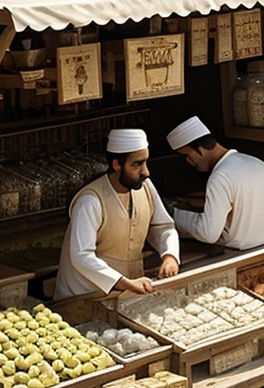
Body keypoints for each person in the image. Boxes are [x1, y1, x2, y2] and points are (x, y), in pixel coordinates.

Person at [54, 128, 180, 300]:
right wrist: (124, 283)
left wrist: (170, 255)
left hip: (128, 294)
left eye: (145, 163)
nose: (146, 172)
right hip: (86, 298)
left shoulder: (146, 187)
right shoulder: (90, 201)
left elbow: (163, 226)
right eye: (137, 164)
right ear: (117, 165)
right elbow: (81, 256)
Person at [166, 116, 264, 249]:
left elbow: (208, 233)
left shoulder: (220, 177)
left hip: (237, 256)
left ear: (200, 149)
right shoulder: (258, 163)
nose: (189, 162)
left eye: (187, 156)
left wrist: (173, 214)